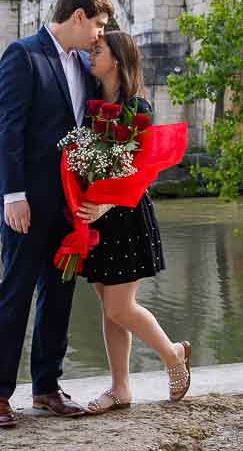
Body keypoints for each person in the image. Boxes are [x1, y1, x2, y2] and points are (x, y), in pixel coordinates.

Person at [0, 0, 114, 428]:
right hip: (28, 203)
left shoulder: (84, 64)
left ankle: (46, 388)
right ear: (78, 17)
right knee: (15, 293)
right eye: (97, 25)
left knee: (59, 294)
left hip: (69, 204)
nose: (99, 35)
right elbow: (8, 130)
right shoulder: (23, 55)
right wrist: (14, 196)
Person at [76, 31, 191, 414]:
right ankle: (120, 388)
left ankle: (172, 355)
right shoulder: (91, 108)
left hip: (124, 216)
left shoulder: (138, 107)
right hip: (95, 218)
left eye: (98, 50)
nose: (91, 56)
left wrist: (104, 206)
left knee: (119, 308)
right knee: (107, 307)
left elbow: (141, 172)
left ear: (118, 61)